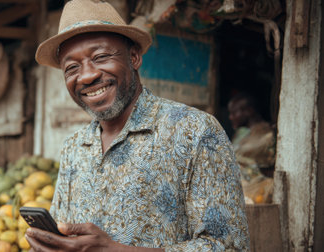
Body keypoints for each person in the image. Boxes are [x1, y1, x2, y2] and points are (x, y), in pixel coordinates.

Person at [25, 0, 250, 251]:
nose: (87, 76)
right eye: (71, 68)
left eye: (100, 57)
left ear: (133, 57)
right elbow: (68, 238)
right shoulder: (74, 147)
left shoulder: (195, 131)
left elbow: (228, 246)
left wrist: (116, 250)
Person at [228, 93, 276, 204]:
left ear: (249, 111)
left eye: (234, 113)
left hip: (255, 190)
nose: (230, 117)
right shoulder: (241, 133)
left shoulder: (267, 134)